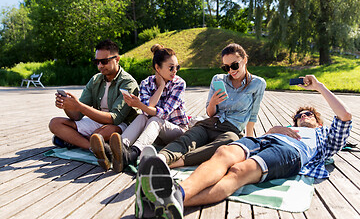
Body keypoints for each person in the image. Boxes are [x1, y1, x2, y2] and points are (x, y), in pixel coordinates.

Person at [137, 75, 352, 218]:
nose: (303, 116)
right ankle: (172, 197)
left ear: (319, 121)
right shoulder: (285, 128)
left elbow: (345, 116)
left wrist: (318, 87)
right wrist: (273, 130)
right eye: (299, 115)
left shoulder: (325, 136)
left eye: (309, 114)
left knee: (240, 170)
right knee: (224, 152)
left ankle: (175, 200)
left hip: (291, 153)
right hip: (264, 140)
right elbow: (260, 136)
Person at [156, 43, 266, 169]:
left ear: (245, 60)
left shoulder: (258, 83)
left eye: (235, 65)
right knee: (187, 139)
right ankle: (161, 158)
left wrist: (250, 141)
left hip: (231, 130)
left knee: (229, 142)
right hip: (210, 124)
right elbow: (210, 113)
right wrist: (213, 102)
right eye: (226, 67)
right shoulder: (218, 79)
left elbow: (253, 115)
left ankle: (177, 163)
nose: (231, 70)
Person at [90, 44, 189, 173]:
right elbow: (147, 109)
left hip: (176, 131)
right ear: (157, 68)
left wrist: (159, 88)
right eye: (171, 68)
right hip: (153, 134)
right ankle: (120, 148)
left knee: (155, 119)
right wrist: (160, 88)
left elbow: (163, 114)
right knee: (142, 116)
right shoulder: (146, 83)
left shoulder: (179, 83)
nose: (175, 71)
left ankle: (131, 154)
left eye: (177, 67)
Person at [48, 39, 139, 152]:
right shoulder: (95, 80)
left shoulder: (128, 83)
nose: (100, 65)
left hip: (121, 124)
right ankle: (92, 147)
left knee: (100, 134)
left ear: (117, 59)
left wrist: (79, 106)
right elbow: (76, 116)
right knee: (55, 123)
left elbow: (115, 119)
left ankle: (78, 140)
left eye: (104, 61)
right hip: (97, 121)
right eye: (97, 62)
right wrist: (67, 106)